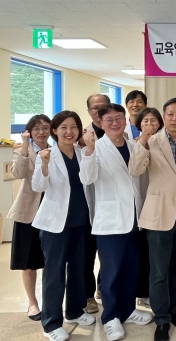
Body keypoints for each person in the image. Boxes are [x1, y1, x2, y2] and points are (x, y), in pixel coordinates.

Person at [129, 98, 176, 341]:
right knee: (159, 270)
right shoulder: (151, 141)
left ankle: (174, 309)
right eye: (170, 114)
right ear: (164, 116)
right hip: (159, 214)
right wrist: (142, 140)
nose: (174, 118)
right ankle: (161, 318)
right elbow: (135, 170)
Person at [80, 104, 153, 341]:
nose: (114, 123)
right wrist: (89, 150)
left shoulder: (132, 145)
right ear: (101, 123)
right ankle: (111, 317)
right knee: (111, 272)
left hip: (134, 218)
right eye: (109, 119)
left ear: (125, 120)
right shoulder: (96, 148)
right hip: (110, 220)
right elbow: (87, 178)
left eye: (119, 118)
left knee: (131, 267)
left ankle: (128, 310)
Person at [31, 111, 95, 341]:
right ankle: (51, 323)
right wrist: (44, 165)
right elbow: (38, 186)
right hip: (55, 225)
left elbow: (89, 180)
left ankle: (75, 311)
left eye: (74, 127)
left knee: (78, 269)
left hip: (81, 222)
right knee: (54, 273)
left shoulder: (82, 153)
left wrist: (90, 149)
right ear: (55, 131)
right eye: (64, 127)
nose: (69, 132)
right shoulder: (46, 155)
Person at [7, 114, 51, 322]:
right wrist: (25, 145)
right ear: (29, 132)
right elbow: (18, 173)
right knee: (28, 261)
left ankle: (51, 301)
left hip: (52, 211)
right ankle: (32, 303)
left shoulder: (56, 150)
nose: (41, 132)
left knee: (51, 260)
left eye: (45, 128)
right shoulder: (22, 151)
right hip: (28, 212)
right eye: (36, 129)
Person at [81, 93, 111, 313]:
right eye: (95, 107)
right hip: (86, 204)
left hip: (109, 205)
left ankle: (103, 287)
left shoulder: (119, 133)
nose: (99, 111)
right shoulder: (80, 137)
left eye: (104, 106)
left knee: (108, 253)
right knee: (86, 254)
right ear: (89, 111)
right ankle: (88, 295)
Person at [133, 107, 164, 308]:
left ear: (160, 124)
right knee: (141, 252)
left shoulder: (163, 144)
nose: (149, 125)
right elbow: (135, 170)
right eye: (145, 121)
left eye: (153, 121)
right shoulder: (135, 144)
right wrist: (143, 141)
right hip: (139, 202)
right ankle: (142, 292)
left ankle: (155, 293)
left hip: (158, 205)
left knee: (155, 254)